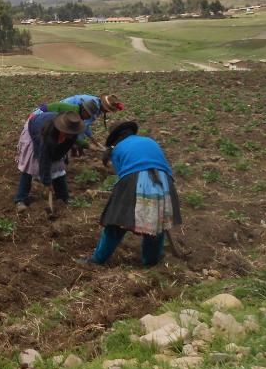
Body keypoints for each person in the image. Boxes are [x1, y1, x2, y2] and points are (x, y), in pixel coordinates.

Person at [77, 121, 181, 267]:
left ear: (115, 138)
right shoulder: (149, 140)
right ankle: (151, 263)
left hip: (135, 179)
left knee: (116, 223)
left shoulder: (117, 149)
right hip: (164, 182)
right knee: (157, 225)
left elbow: (123, 176)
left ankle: (97, 260)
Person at [14, 110, 84, 211]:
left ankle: (63, 197)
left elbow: (62, 153)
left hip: (49, 135)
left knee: (58, 167)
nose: (70, 136)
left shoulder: (72, 134)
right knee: (30, 167)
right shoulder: (48, 136)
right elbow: (44, 158)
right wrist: (47, 181)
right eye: (67, 133)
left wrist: (56, 160)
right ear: (62, 129)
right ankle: (20, 199)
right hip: (34, 130)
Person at [60, 93, 125, 148]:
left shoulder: (98, 104)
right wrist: (85, 145)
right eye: (107, 110)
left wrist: (93, 139)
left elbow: (86, 125)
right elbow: (82, 126)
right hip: (65, 111)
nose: (107, 112)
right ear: (104, 107)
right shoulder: (93, 107)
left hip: (69, 110)